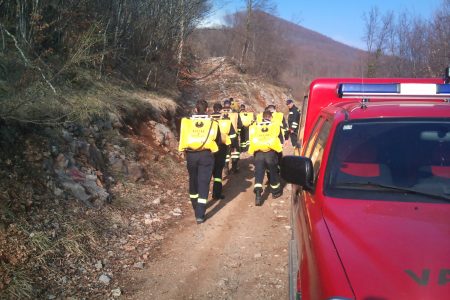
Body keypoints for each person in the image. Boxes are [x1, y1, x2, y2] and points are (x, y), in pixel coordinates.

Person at [178, 100, 221, 224]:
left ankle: (195, 206)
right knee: (203, 183)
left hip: (191, 156)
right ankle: (200, 214)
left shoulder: (187, 122)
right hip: (206, 155)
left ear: (195, 109)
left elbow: (182, 138)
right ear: (207, 110)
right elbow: (217, 141)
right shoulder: (213, 123)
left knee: (193, 180)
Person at [248, 110, 283, 206]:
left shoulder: (255, 126)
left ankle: (258, 194)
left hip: (258, 153)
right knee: (273, 172)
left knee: (259, 173)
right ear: (271, 117)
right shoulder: (275, 126)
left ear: (262, 117)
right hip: (271, 153)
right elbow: (280, 141)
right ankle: (275, 192)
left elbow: (251, 139)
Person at [210, 102, 239, 200]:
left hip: (208, 149)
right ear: (221, 110)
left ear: (213, 109)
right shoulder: (226, 120)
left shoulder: (207, 120)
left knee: (207, 172)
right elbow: (233, 136)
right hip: (221, 149)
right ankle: (216, 193)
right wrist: (234, 146)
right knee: (218, 172)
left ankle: (203, 194)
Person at [222, 99, 242, 173]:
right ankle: (234, 167)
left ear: (224, 105)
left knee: (225, 152)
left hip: (223, 137)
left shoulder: (220, 114)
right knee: (235, 152)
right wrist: (238, 132)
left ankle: (226, 166)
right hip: (234, 136)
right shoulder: (235, 114)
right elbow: (240, 125)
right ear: (230, 105)